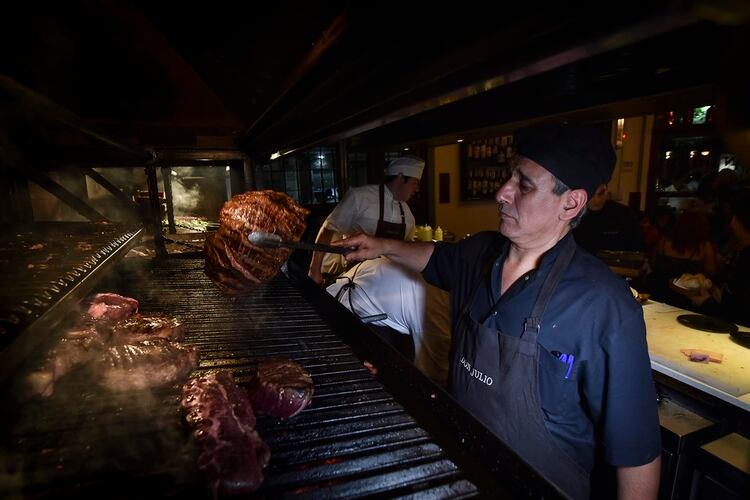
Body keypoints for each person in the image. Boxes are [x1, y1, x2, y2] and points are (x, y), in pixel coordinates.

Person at [334, 123, 661, 500]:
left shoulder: (605, 306)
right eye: (509, 176)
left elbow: (637, 454)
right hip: (460, 472)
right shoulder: (482, 252)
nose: (502, 192)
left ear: (571, 203)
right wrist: (381, 245)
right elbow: (435, 258)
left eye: (523, 185)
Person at [327, 257, 451, 386]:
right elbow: (432, 377)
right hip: (352, 310)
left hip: (356, 281)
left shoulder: (442, 274)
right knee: (388, 374)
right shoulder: (439, 316)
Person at [308, 155, 424, 285]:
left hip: (388, 284)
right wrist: (314, 270)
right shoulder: (360, 197)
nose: (417, 189)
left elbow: (407, 250)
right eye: (415, 183)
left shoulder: (408, 215)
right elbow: (328, 229)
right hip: (353, 280)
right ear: (401, 177)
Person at [573, 183, 645, 256]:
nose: (596, 200)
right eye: (591, 194)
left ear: (606, 191)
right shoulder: (573, 216)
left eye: (600, 193)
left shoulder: (624, 215)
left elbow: (637, 251)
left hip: (617, 265)